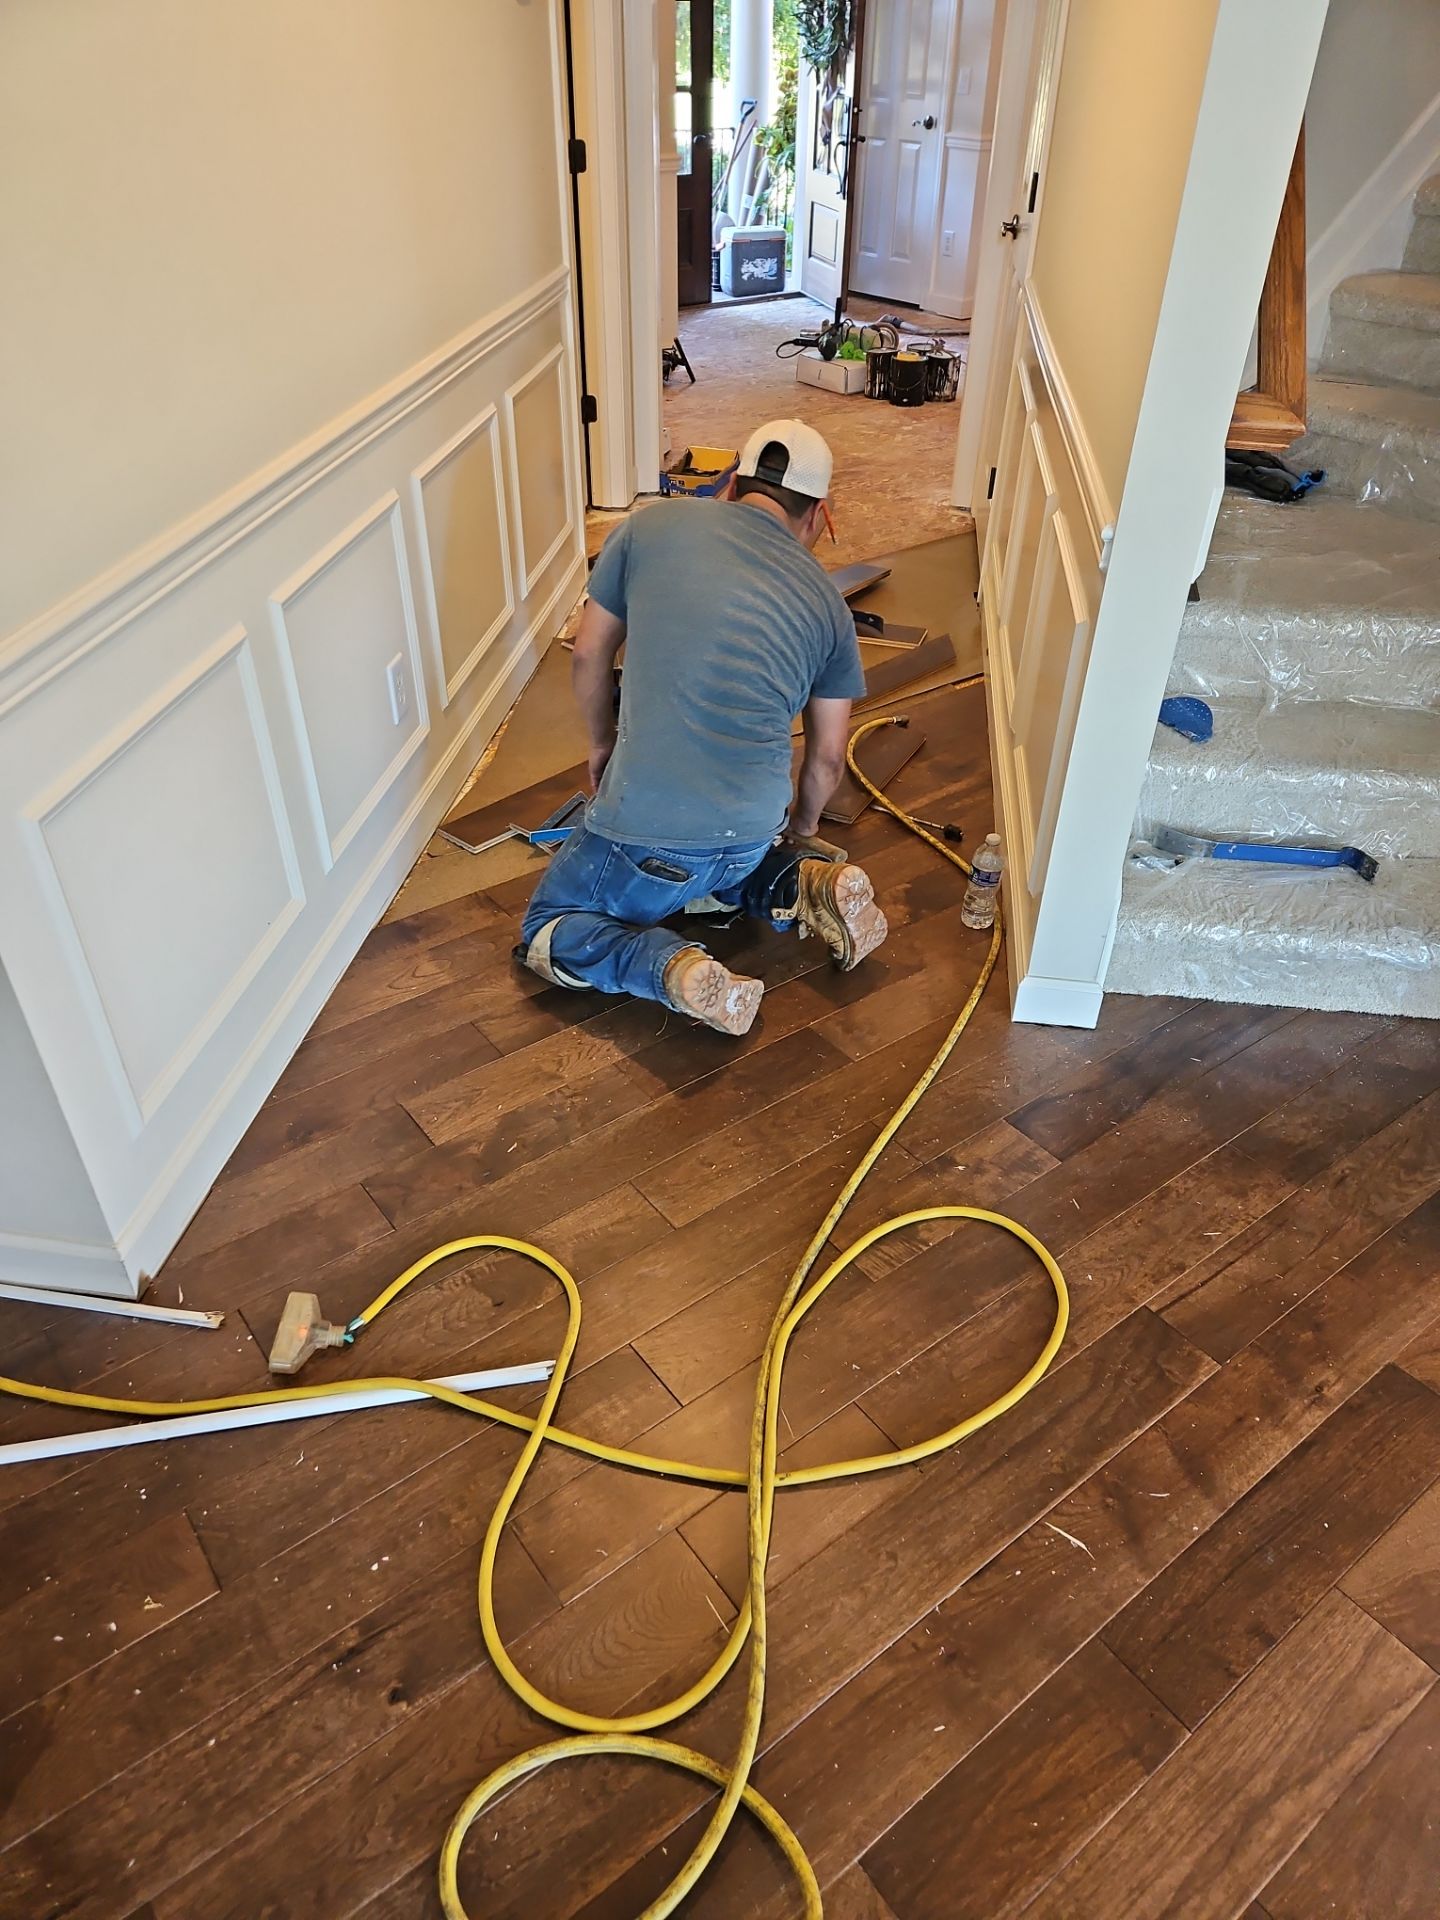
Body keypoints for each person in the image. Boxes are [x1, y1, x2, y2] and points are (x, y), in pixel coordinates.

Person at [518, 419, 888, 1035]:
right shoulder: (830, 608)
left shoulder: (647, 527)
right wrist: (795, 833)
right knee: (716, 874)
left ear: (731, 485)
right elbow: (826, 759)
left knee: (548, 926)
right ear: (821, 516)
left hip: (646, 831)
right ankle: (803, 879)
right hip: (750, 833)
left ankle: (670, 969)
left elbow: (587, 657)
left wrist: (602, 746)